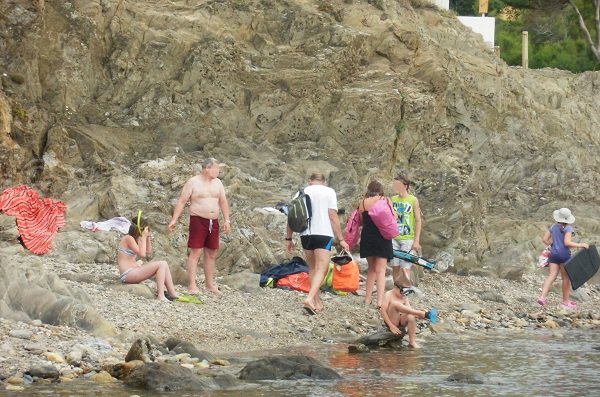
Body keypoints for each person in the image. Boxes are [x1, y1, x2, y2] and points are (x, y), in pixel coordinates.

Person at [285, 172, 349, 314]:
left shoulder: (301, 192)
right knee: (322, 269)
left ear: (310, 181)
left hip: (306, 234)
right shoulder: (329, 192)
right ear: (324, 182)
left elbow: (291, 216)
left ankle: (317, 302)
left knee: (312, 268)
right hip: (323, 234)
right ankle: (309, 298)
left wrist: (288, 239)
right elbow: (332, 216)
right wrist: (341, 239)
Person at [168, 157, 231, 295]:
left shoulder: (218, 183)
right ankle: (192, 285)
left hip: (213, 221)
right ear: (207, 168)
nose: (218, 171)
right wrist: (174, 220)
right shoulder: (193, 182)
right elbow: (182, 201)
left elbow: (223, 202)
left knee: (211, 253)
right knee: (196, 252)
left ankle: (209, 285)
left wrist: (227, 220)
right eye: (216, 168)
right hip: (198, 220)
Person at [117, 212, 179, 302]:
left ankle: (172, 293)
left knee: (164, 264)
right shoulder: (128, 238)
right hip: (127, 274)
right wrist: (144, 236)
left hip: (134, 272)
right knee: (161, 264)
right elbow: (142, 254)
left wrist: (148, 238)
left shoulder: (136, 238)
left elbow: (148, 252)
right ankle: (161, 295)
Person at [537, 208, 588, 308]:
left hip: (553, 254)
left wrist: (552, 245)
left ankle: (542, 297)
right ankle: (565, 302)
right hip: (564, 255)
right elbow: (567, 243)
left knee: (551, 276)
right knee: (565, 278)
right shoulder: (568, 228)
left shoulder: (553, 227)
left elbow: (544, 239)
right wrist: (581, 245)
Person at [357, 180, 394, 308]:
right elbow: (393, 218)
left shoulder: (362, 203)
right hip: (382, 237)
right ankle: (379, 301)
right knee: (381, 271)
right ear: (381, 189)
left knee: (371, 270)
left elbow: (361, 221)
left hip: (367, 237)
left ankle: (367, 299)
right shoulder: (385, 200)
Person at [380, 280, 435, 349]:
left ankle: (412, 341)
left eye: (407, 291)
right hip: (392, 320)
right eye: (403, 290)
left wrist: (418, 316)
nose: (404, 293)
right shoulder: (388, 294)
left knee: (411, 315)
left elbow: (409, 311)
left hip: (402, 321)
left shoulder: (404, 296)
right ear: (396, 287)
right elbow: (382, 311)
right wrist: (391, 326)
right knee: (395, 304)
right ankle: (420, 313)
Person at [390, 174, 422, 288]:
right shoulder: (392, 199)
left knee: (405, 266)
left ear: (405, 186)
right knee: (395, 266)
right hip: (393, 238)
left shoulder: (413, 200)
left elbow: (418, 220)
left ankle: (404, 292)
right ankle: (396, 290)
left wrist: (416, 240)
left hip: (408, 238)